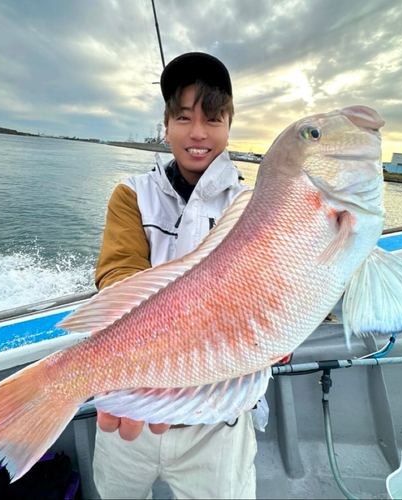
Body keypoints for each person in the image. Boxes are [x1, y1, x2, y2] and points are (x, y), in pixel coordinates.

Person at [92, 52, 260, 499]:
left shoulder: (252, 204)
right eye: (184, 118)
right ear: (166, 125)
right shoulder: (132, 194)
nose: (199, 133)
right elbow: (119, 276)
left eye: (213, 119)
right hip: (133, 405)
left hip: (219, 419)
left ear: (229, 126)